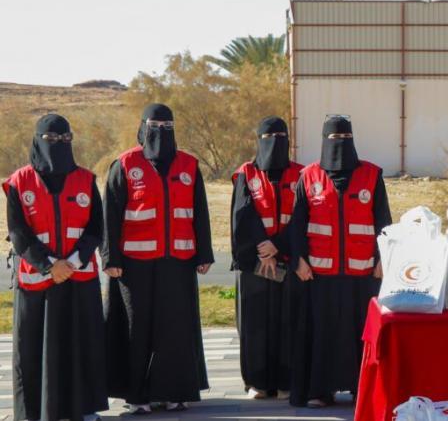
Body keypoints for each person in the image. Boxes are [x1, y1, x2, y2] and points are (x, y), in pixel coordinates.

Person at [102, 103, 213, 414]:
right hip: (133, 264)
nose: (161, 133)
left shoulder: (189, 165)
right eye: (155, 127)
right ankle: (136, 395)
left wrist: (204, 252)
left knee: (174, 328)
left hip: (178, 261)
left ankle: (174, 392)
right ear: (143, 128)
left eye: (167, 127)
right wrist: (110, 257)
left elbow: (200, 213)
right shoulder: (124, 164)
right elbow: (109, 214)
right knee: (137, 328)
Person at [4, 114, 107, 421]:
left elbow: (95, 228)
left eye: (64, 139)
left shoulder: (86, 179)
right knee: (33, 349)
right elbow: (18, 233)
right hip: (38, 280)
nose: (58, 145)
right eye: (50, 140)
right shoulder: (18, 182)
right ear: (37, 140)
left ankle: (84, 408)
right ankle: (35, 412)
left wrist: (72, 263)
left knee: (81, 344)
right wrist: (50, 266)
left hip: (78, 277)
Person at [290, 115, 392, 408]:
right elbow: (297, 224)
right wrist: (298, 261)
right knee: (322, 334)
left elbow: (383, 220)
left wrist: (382, 259)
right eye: (334, 139)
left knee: (359, 334)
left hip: (362, 274)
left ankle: (360, 388)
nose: (340, 144)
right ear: (323, 141)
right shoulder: (308, 177)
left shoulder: (371, 175)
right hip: (320, 274)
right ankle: (320, 391)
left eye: (345, 138)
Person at [231, 116, 308, 401]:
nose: (274, 141)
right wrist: (262, 247)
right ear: (258, 139)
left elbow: (302, 216)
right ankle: (258, 382)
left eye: (280, 135)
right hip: (256, 264)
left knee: (289, 322)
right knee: (255, 325)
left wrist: (278, 246)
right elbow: (241, 215)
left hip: (287, 258)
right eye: (268, 136)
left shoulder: (302, 174)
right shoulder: (246, 174)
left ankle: (287, 380)